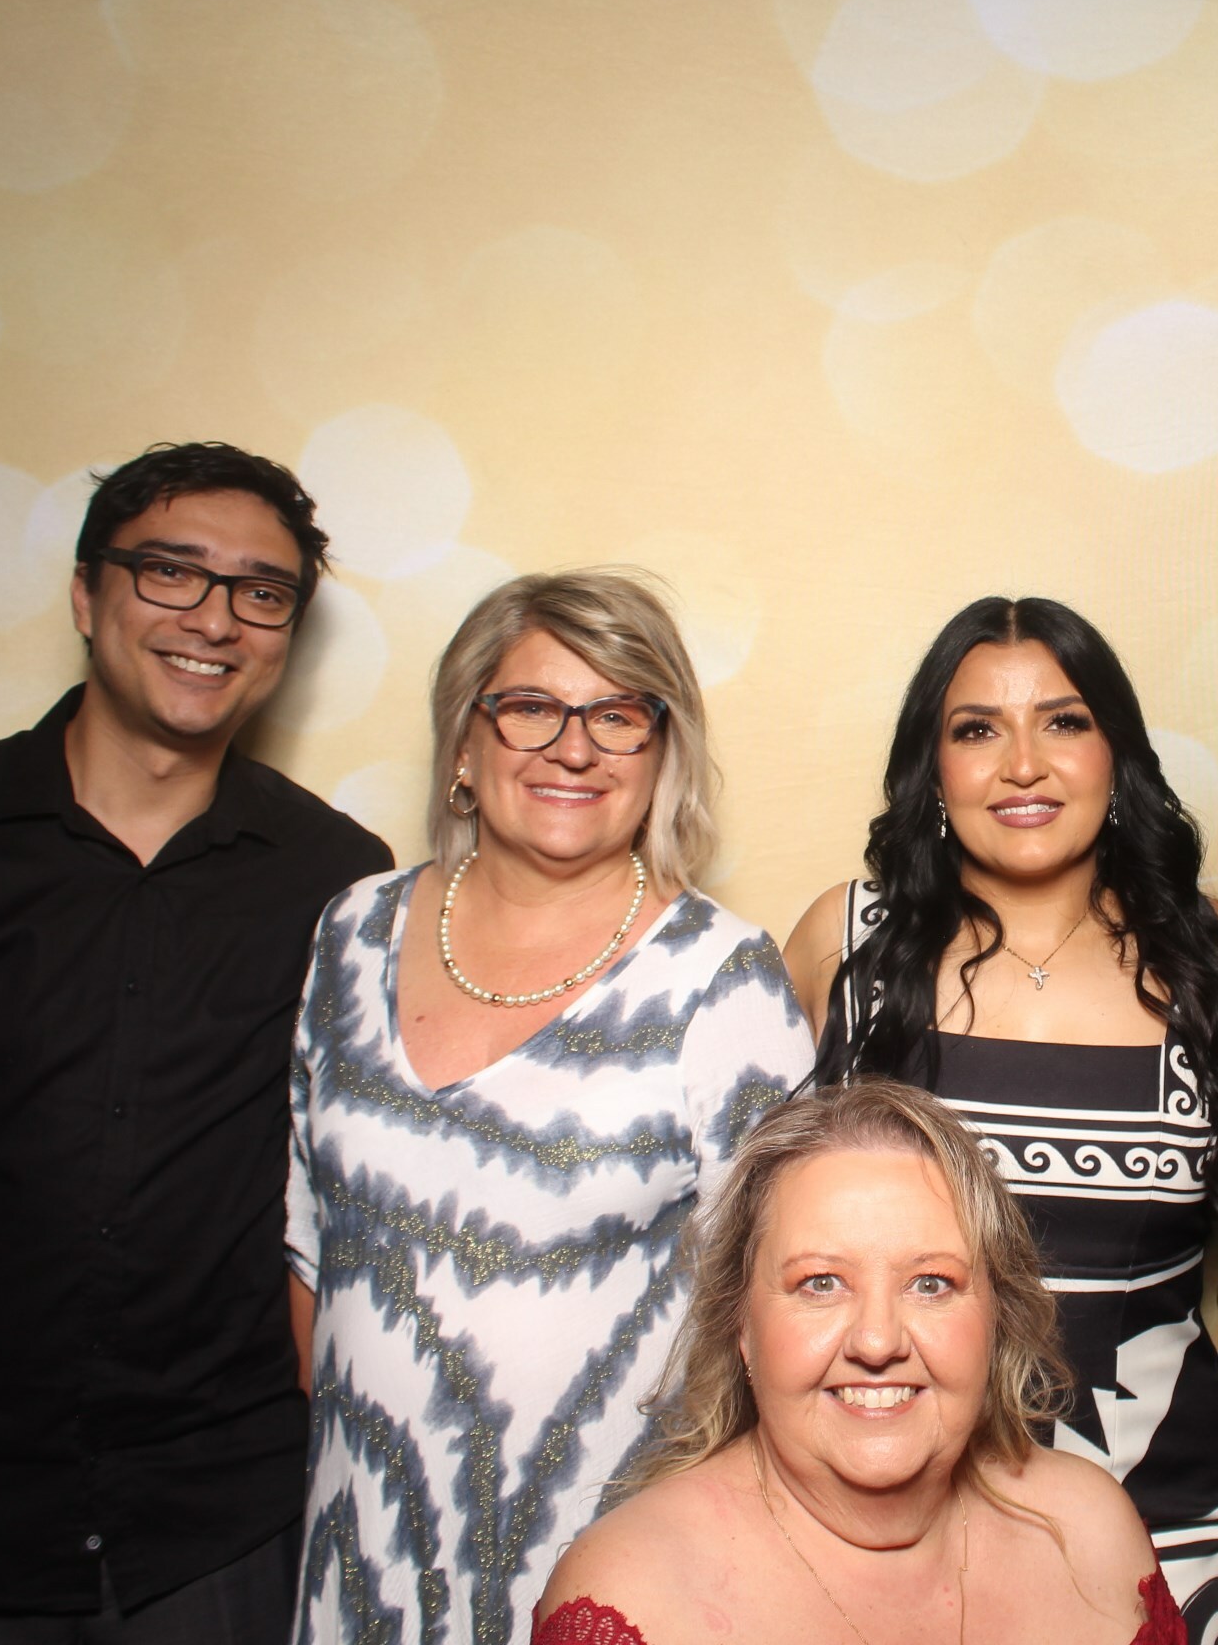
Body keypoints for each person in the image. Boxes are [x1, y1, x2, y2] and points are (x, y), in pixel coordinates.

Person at [0, 443, 393, 1645]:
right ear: (85, 593)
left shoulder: (339, 885)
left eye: (262, 592)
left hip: (220, 1527)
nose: (214, 617)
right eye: (171, 571)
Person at [286, 568, 810, 1645]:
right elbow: (311, 1249)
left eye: (617, 716)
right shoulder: (351, 932)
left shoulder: (722, 981)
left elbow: (778, 1302)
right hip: (353, 1566)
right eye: (531, 708)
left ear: (660, 752)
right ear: (464, 740)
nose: (574, 749)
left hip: (606, 1584)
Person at [780, 597, 1218, 1640]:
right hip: (891, 1526)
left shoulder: (1216, 959)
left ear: (1116, 754)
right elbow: (764, 1247)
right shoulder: (844, 945)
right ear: (933, 769)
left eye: (1063, 722)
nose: (1022, 767)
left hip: (1165, 1530)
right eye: (977, 730)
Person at [531, 1078, 1184, 1645]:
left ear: (996, 1316)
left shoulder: (1092, 1534)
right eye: (820, 1283)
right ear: (743, 1326)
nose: (876, 1342)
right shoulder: (632, 1596)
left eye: (930, 1283)